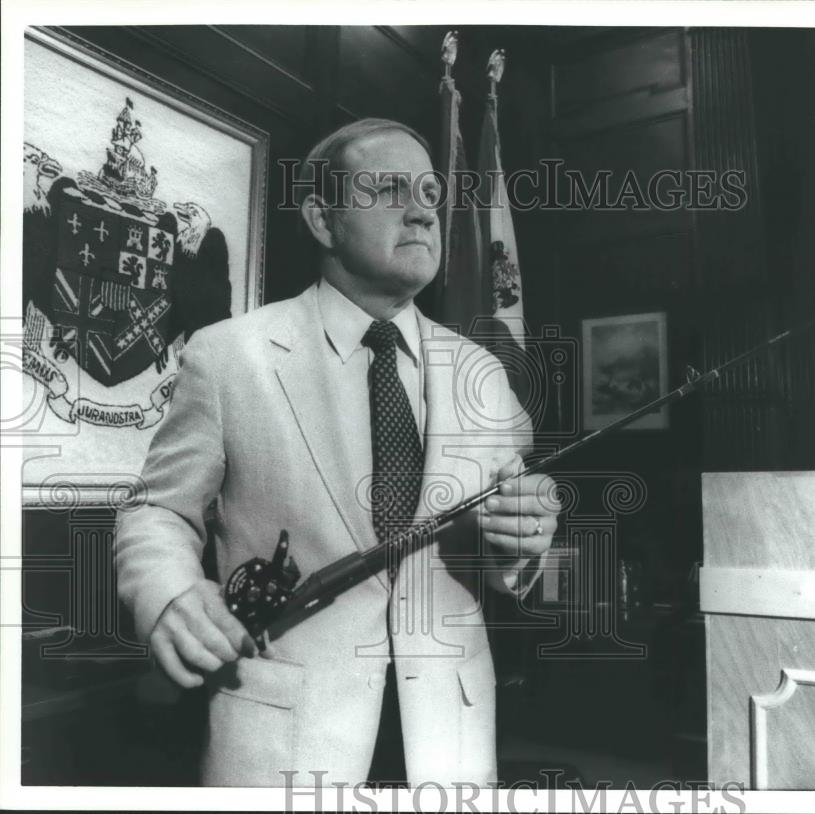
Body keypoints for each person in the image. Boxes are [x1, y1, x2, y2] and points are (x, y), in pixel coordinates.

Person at [115, 118, 559, 788]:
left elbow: (508, 561)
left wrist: (525, 539)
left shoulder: (482, 373)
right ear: (323, 219)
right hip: (284, 742)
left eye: (431, 195)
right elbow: (156, 512)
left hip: (448, 742)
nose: (421, 212)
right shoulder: (229, 354)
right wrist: (171, 594)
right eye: (388, 190)